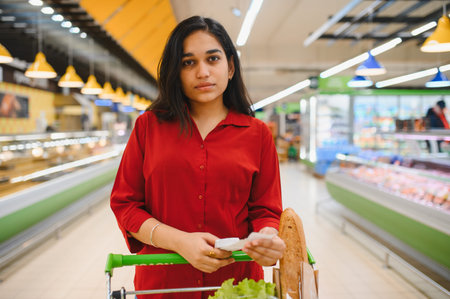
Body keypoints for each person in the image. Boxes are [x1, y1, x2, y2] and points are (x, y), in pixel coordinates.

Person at [110, 16, 285, 299]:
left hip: (236, 285)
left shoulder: (258, 134)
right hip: (165, 284)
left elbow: (265, 211)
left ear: (229, 67)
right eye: (188, 62)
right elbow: (126, 205)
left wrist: (266, 238)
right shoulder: (148, 127)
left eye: (212, 59)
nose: (202, 72)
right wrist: (179, 241)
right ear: (175, 72)